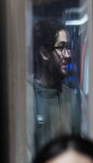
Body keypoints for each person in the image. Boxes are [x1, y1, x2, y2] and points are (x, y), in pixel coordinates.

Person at [30, 18, 81, 152]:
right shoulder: (27, 94)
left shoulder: (71, 96)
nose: (68, 55)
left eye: (68, 47)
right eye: (61, 47)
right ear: (44, 53)